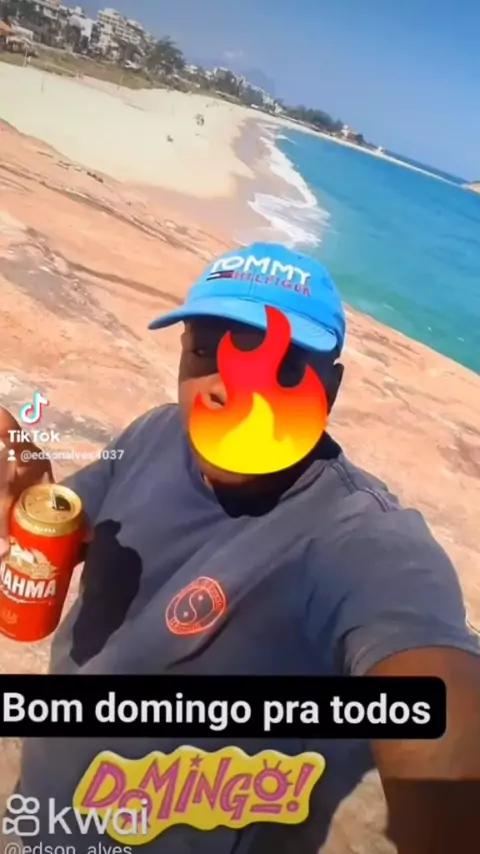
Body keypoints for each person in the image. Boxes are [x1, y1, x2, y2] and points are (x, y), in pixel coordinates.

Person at [1, 242, 479, 854]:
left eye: (280, 365)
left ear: (331, 388)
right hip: (40, 815)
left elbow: (436, 698)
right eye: (206, 352)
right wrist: (27, 497)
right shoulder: (155, 432)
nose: (231, 386)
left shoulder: (358, 538)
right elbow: (70, 519)